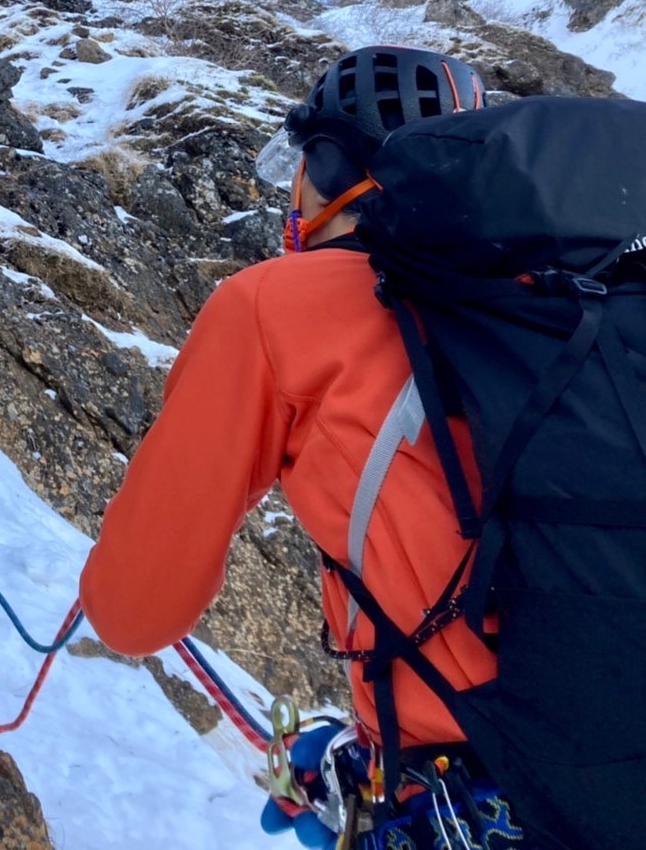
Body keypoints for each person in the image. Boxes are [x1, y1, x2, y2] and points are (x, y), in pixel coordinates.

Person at [79, 45, 530, 847]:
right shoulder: (569, 305)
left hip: (468, 806)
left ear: (326, 169)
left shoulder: (272, 306)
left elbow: (132, 610)